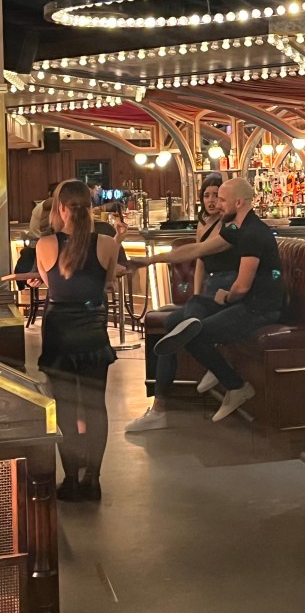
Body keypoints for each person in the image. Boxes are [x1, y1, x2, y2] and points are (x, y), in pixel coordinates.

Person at [125, 177, 283, 426]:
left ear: (238, 202)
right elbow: (198, 250)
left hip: (258, 309)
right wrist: (149, 261)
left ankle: (236, 386)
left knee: (192, 333)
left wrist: (227, 296)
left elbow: (242, 286)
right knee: (174, 322)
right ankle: (171, 399)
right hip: (244, 303)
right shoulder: (237, 229)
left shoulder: (253, 233)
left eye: (222, 199)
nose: (217, 205)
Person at [125, 175, 238, 432]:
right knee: (172, 331)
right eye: (207, 196)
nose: (212, 201)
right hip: (210, 292)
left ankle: (161, 408)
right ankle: (161, 406)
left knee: (175, 330)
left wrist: (149, 260)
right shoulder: (205, 223)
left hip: (227, 292)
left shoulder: (232, 227)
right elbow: (201, 262)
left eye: (218, 196)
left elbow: (196, 252)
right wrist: (195, 297)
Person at [35, 179, 123, 503]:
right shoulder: (108, 244)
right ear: (91, 207)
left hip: (59, 332)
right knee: (95, 406)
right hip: (93, 331)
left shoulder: (45, 244)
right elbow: (107, 282)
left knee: (64, 407)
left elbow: (51, 284)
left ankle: (70, 479)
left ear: (60, 208)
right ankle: (93, 480)